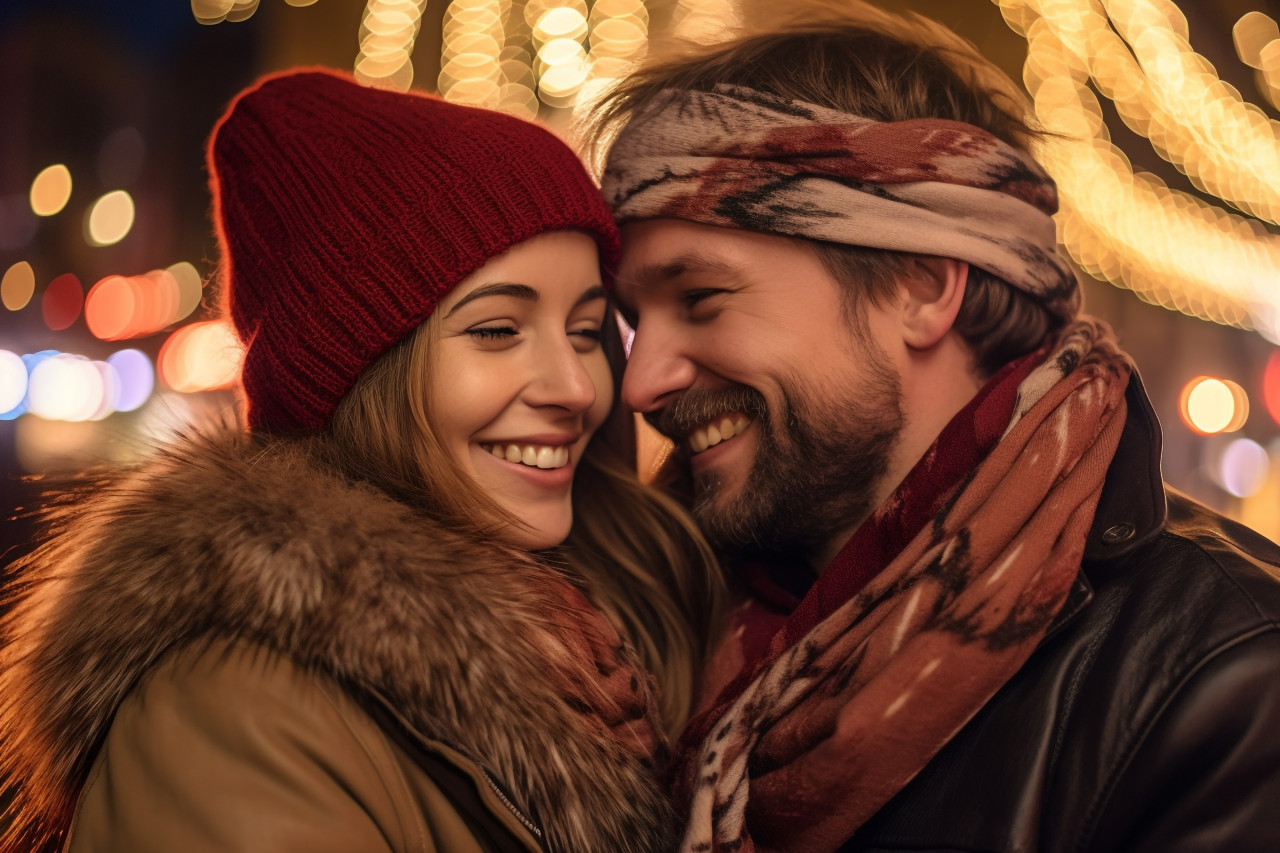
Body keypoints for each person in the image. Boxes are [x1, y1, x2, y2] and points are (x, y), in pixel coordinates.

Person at [586, 4, 1280, 852]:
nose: (643, 381)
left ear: (920, 285)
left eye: (701, 298)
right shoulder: (646, 627)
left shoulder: (1228, 677)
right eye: (632, 321)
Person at [0, 68, 724, 853]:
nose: (577, 386)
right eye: (495, 330)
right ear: (364, 369)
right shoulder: (236, 718)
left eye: (585, 330)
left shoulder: (629, 628)